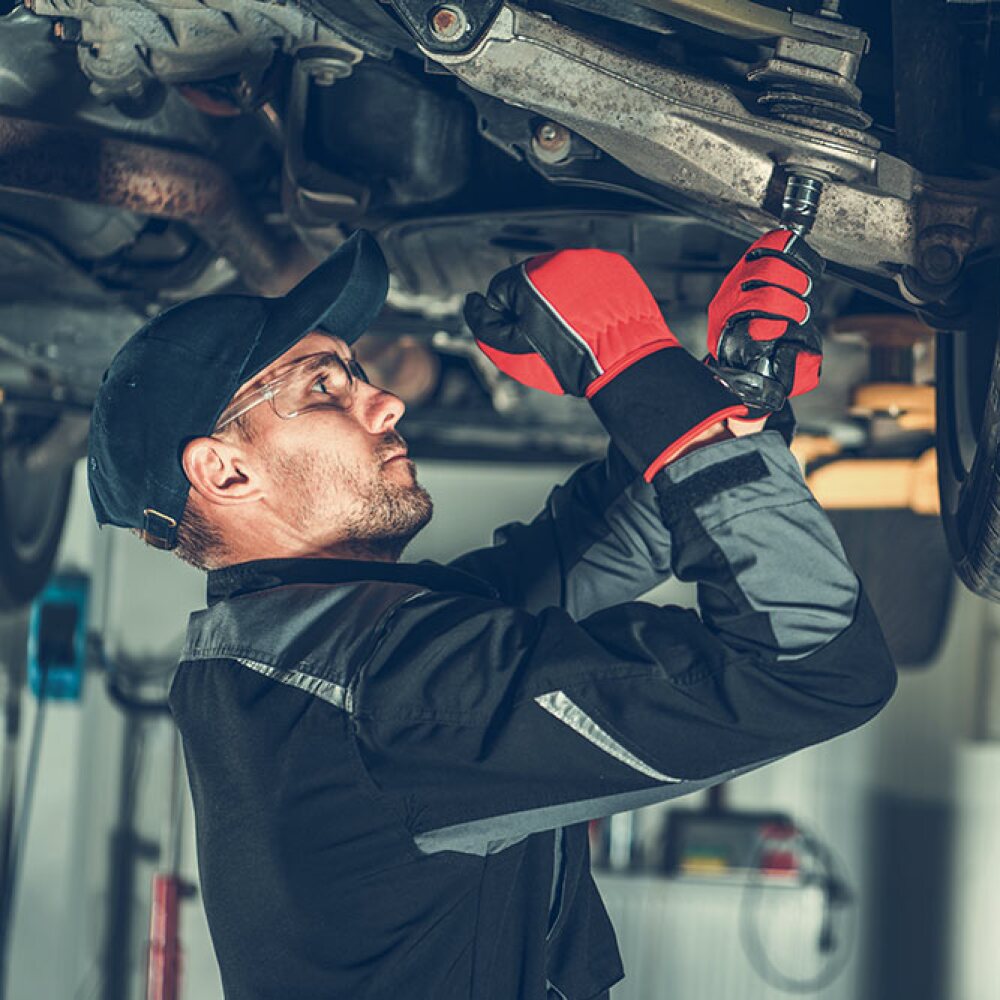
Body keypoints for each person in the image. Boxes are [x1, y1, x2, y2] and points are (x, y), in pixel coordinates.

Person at [87, 229, 895, 1000]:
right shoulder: (377, 694)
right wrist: (631, 362)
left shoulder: (297, 649)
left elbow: (594, 545)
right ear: (225, 474)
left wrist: (722, 390)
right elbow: (813, 663)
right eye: (324, 388)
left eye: (355, 372)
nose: (387, 400)